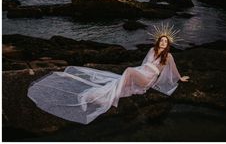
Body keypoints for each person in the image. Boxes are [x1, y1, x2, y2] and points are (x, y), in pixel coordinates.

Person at [27, 22, 190, 124]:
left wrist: (180, 78)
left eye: (165, 41)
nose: (162, 42)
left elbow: (172, 70)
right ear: (158, 41)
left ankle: (112, 97)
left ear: (168, 44)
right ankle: (98, 95)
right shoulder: (151, 50)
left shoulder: (168, 56)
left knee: (128, 71)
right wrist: (138, 72)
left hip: (148, 79)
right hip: (141, 72)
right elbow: (143, 64)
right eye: (161, 40)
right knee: (124, 75)